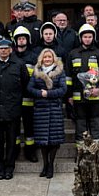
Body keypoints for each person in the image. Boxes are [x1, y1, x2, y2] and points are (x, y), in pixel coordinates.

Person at [0, 38, 28, 179]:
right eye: (1, 48)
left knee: (11, 141)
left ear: (11, 50)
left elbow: (25, 84)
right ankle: (0, 168)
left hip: (12, 109)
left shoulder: (19, 64)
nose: (3, 51)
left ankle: (9, 168)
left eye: (6, 48)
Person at [67, 24, 99, 148]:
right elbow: (68, 77)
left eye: (90, 37)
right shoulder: (73, 54)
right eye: (85, 37)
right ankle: (81, 151)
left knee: (96, 123)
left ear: (93, 38)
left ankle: (95, 152)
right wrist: (69, 95)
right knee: (80, 125)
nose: (87, 39)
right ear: (81, 38)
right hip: (78, 97)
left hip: (95, 97)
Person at [28, 48, 67, 178]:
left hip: (55, 109)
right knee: (42, 140)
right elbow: (30, 88)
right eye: (45, 57)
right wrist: (40, 93)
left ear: (53, 58)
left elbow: (63, 89)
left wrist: (48, 94)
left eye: (50, 57)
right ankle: (45, 165)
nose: (47, 59)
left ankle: (51, 165)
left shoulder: (60, 71)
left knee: (54, 140)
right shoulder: (36, 71)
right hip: (41, 109)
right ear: (41, 59)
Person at [13, 26, 38, 163]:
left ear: (27, 40)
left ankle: (30, 151)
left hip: (29, 97)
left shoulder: (34, 57)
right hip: (14, 98)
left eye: (23, 38)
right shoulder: (11, 55)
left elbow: (37, 76)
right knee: (14, 126)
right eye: (19, 38)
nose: (21, 40)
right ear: (15, 40)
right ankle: (15, 150)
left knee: (29, 126)